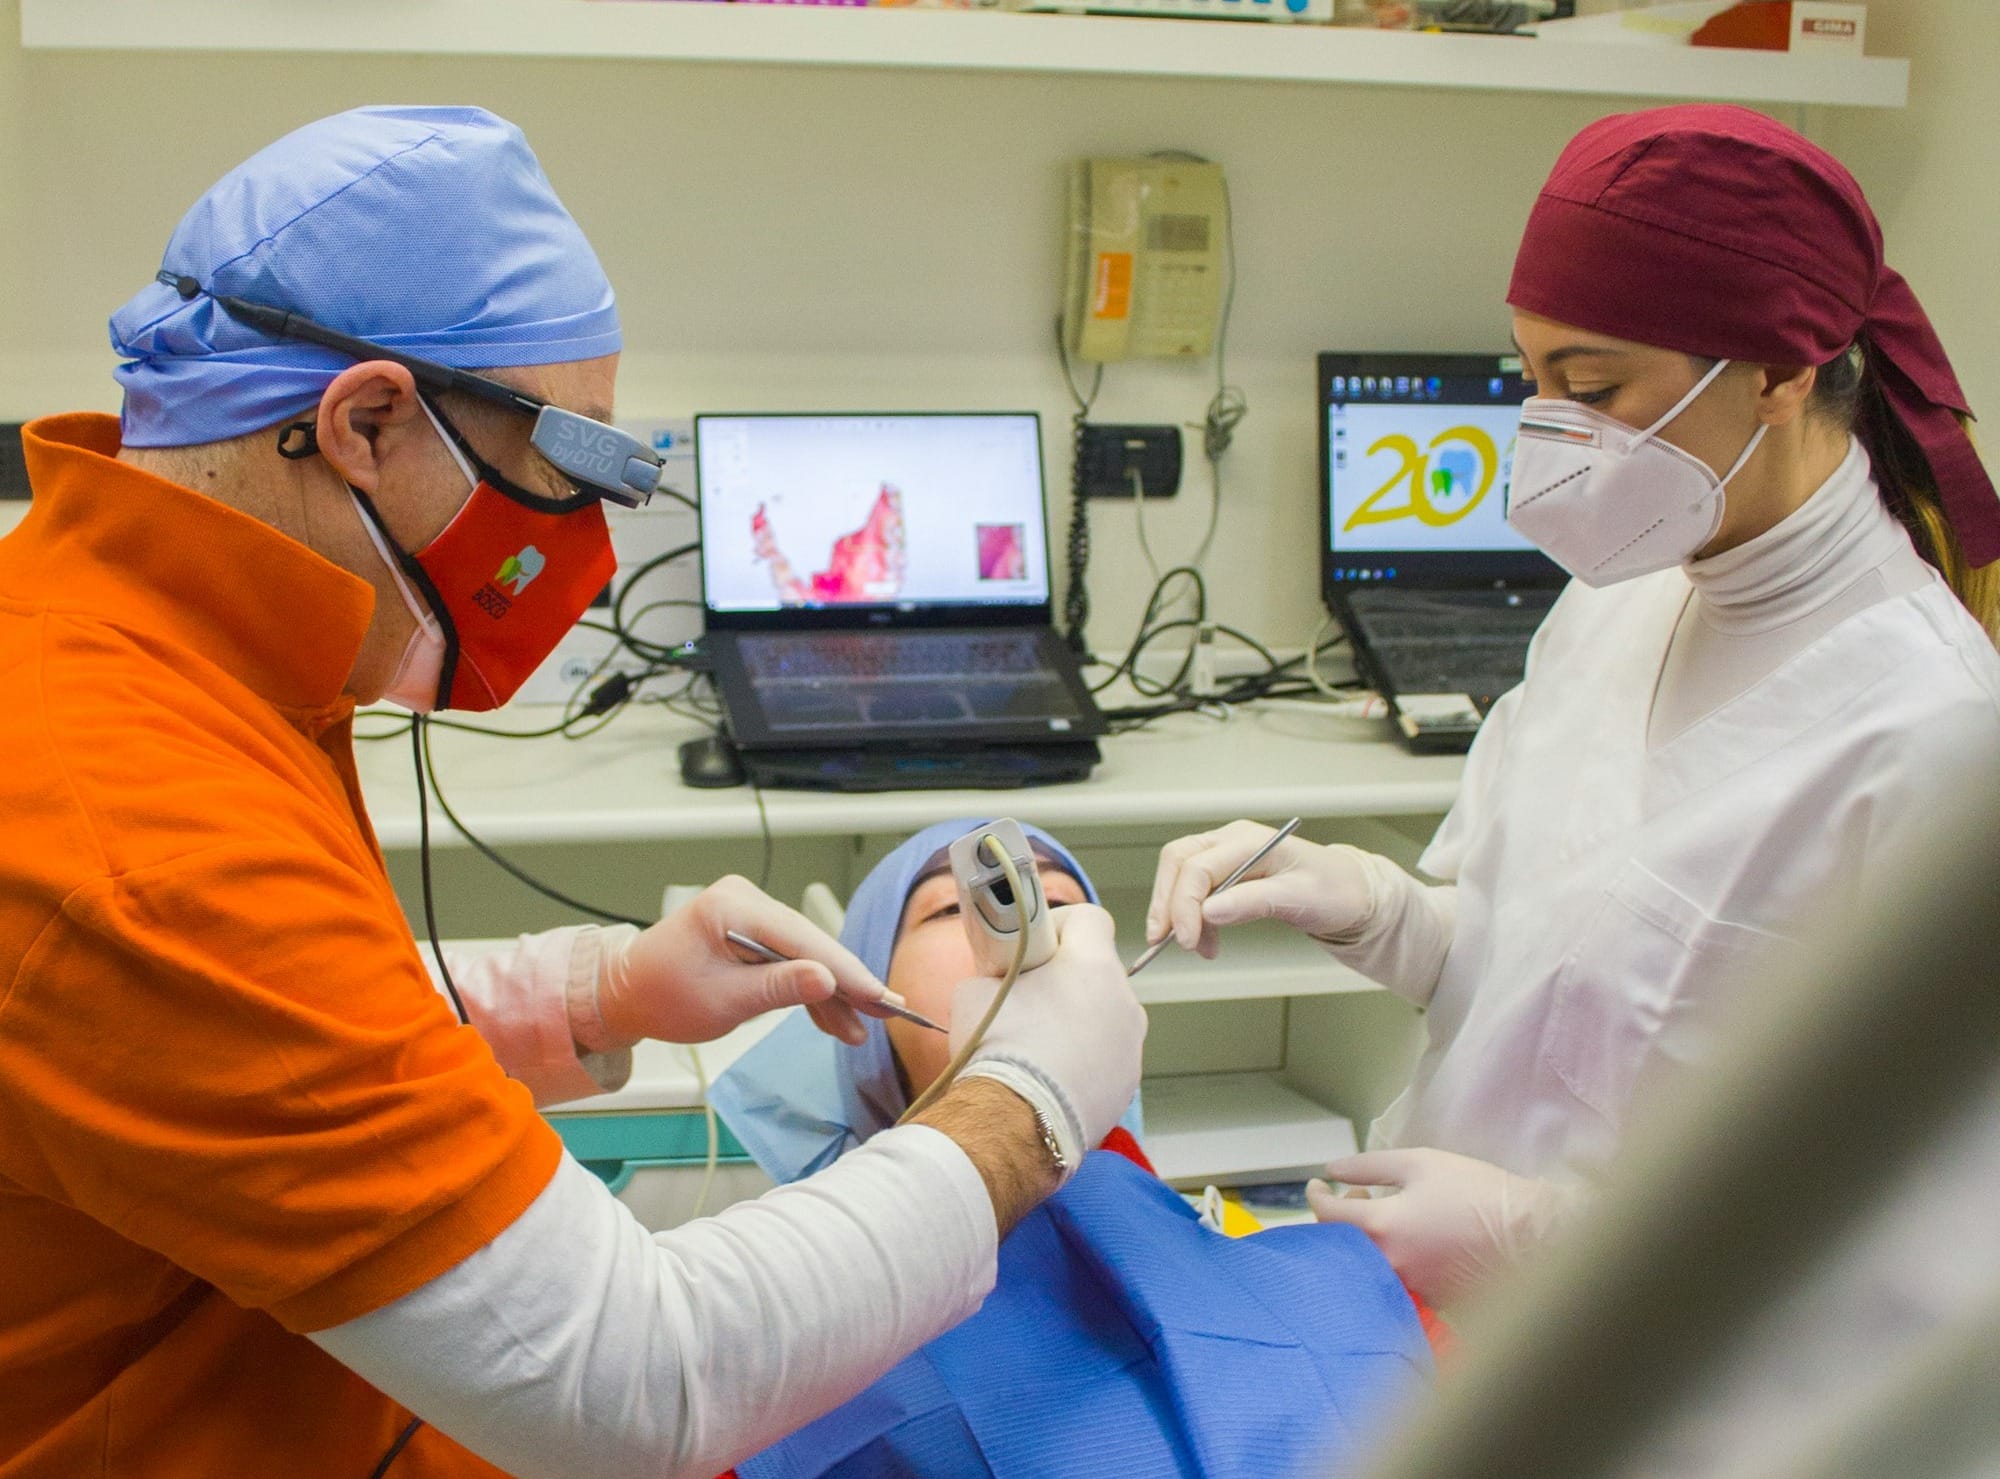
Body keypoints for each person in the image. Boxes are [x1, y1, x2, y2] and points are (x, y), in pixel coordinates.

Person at [0, 108, 1145, 1478]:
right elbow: (636, 1382)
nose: (584, 547)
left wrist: (589, 996)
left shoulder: (130, 629)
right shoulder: (129, 811)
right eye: (569, 468)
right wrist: (1030, 1099)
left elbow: (230, 1047)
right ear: (365, 419)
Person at [1149, 104, 2000, 1312]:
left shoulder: (1933, 740)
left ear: (1777, 371)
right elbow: (1539, 980)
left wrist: (1540, 1237)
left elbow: (1923, 1243)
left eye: (1590, 387)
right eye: (1531, 378)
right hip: (1438, 1329)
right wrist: (1374, 908)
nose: (1548, 435)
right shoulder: (1625, 598)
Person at [710, 820, 1436, 1479]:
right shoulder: (774, 1365)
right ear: (868, 1013)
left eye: (1060, 903)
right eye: (950, 907)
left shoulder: (1351, 1279)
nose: (1036, 927)